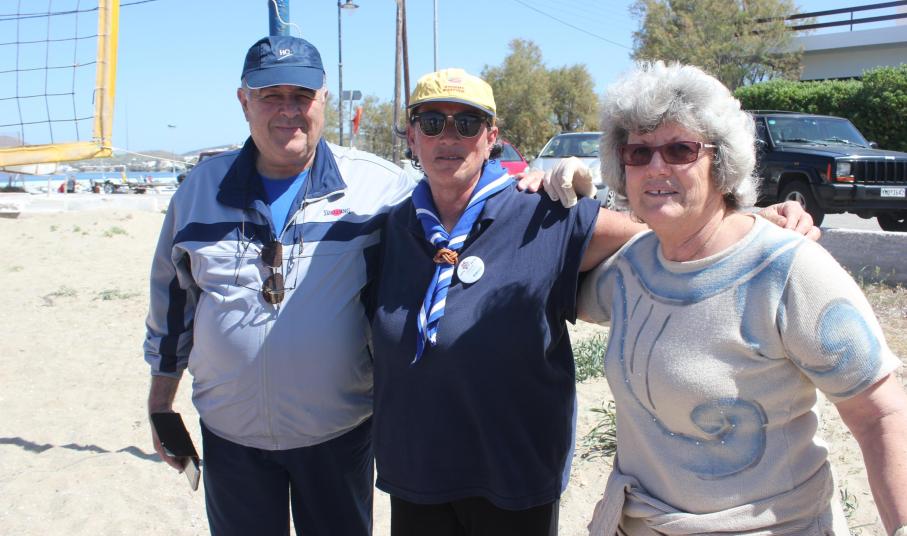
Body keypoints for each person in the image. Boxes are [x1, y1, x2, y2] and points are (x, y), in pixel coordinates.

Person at [367, 68, 819, 536]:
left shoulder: (543, 215)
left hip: (512, 476)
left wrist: (753, 220)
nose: (448, 137)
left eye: (467, 124)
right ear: (412, 137)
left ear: (491, 138)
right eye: (431, 123)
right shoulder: (391, 228)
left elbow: (667, 228)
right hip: (414, 469)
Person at [576, 61, 907, 535]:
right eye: (638, 152)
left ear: (721, 163)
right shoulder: (632, 269)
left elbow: (881, 416)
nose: (656, 167)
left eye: (680, 149)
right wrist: (547, 197)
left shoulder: (787, 270)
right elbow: (553, 286)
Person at [143, 35, 416, 535]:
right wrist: (161, 403)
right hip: (230, 434)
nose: (289, 110)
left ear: (324, 100)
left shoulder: (380, 188)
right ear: (243, 101)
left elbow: (460, 211)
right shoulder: (199, 191)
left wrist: (541, 184)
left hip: (338, 431)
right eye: (271, 96)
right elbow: (173, 303)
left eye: (302, 96)